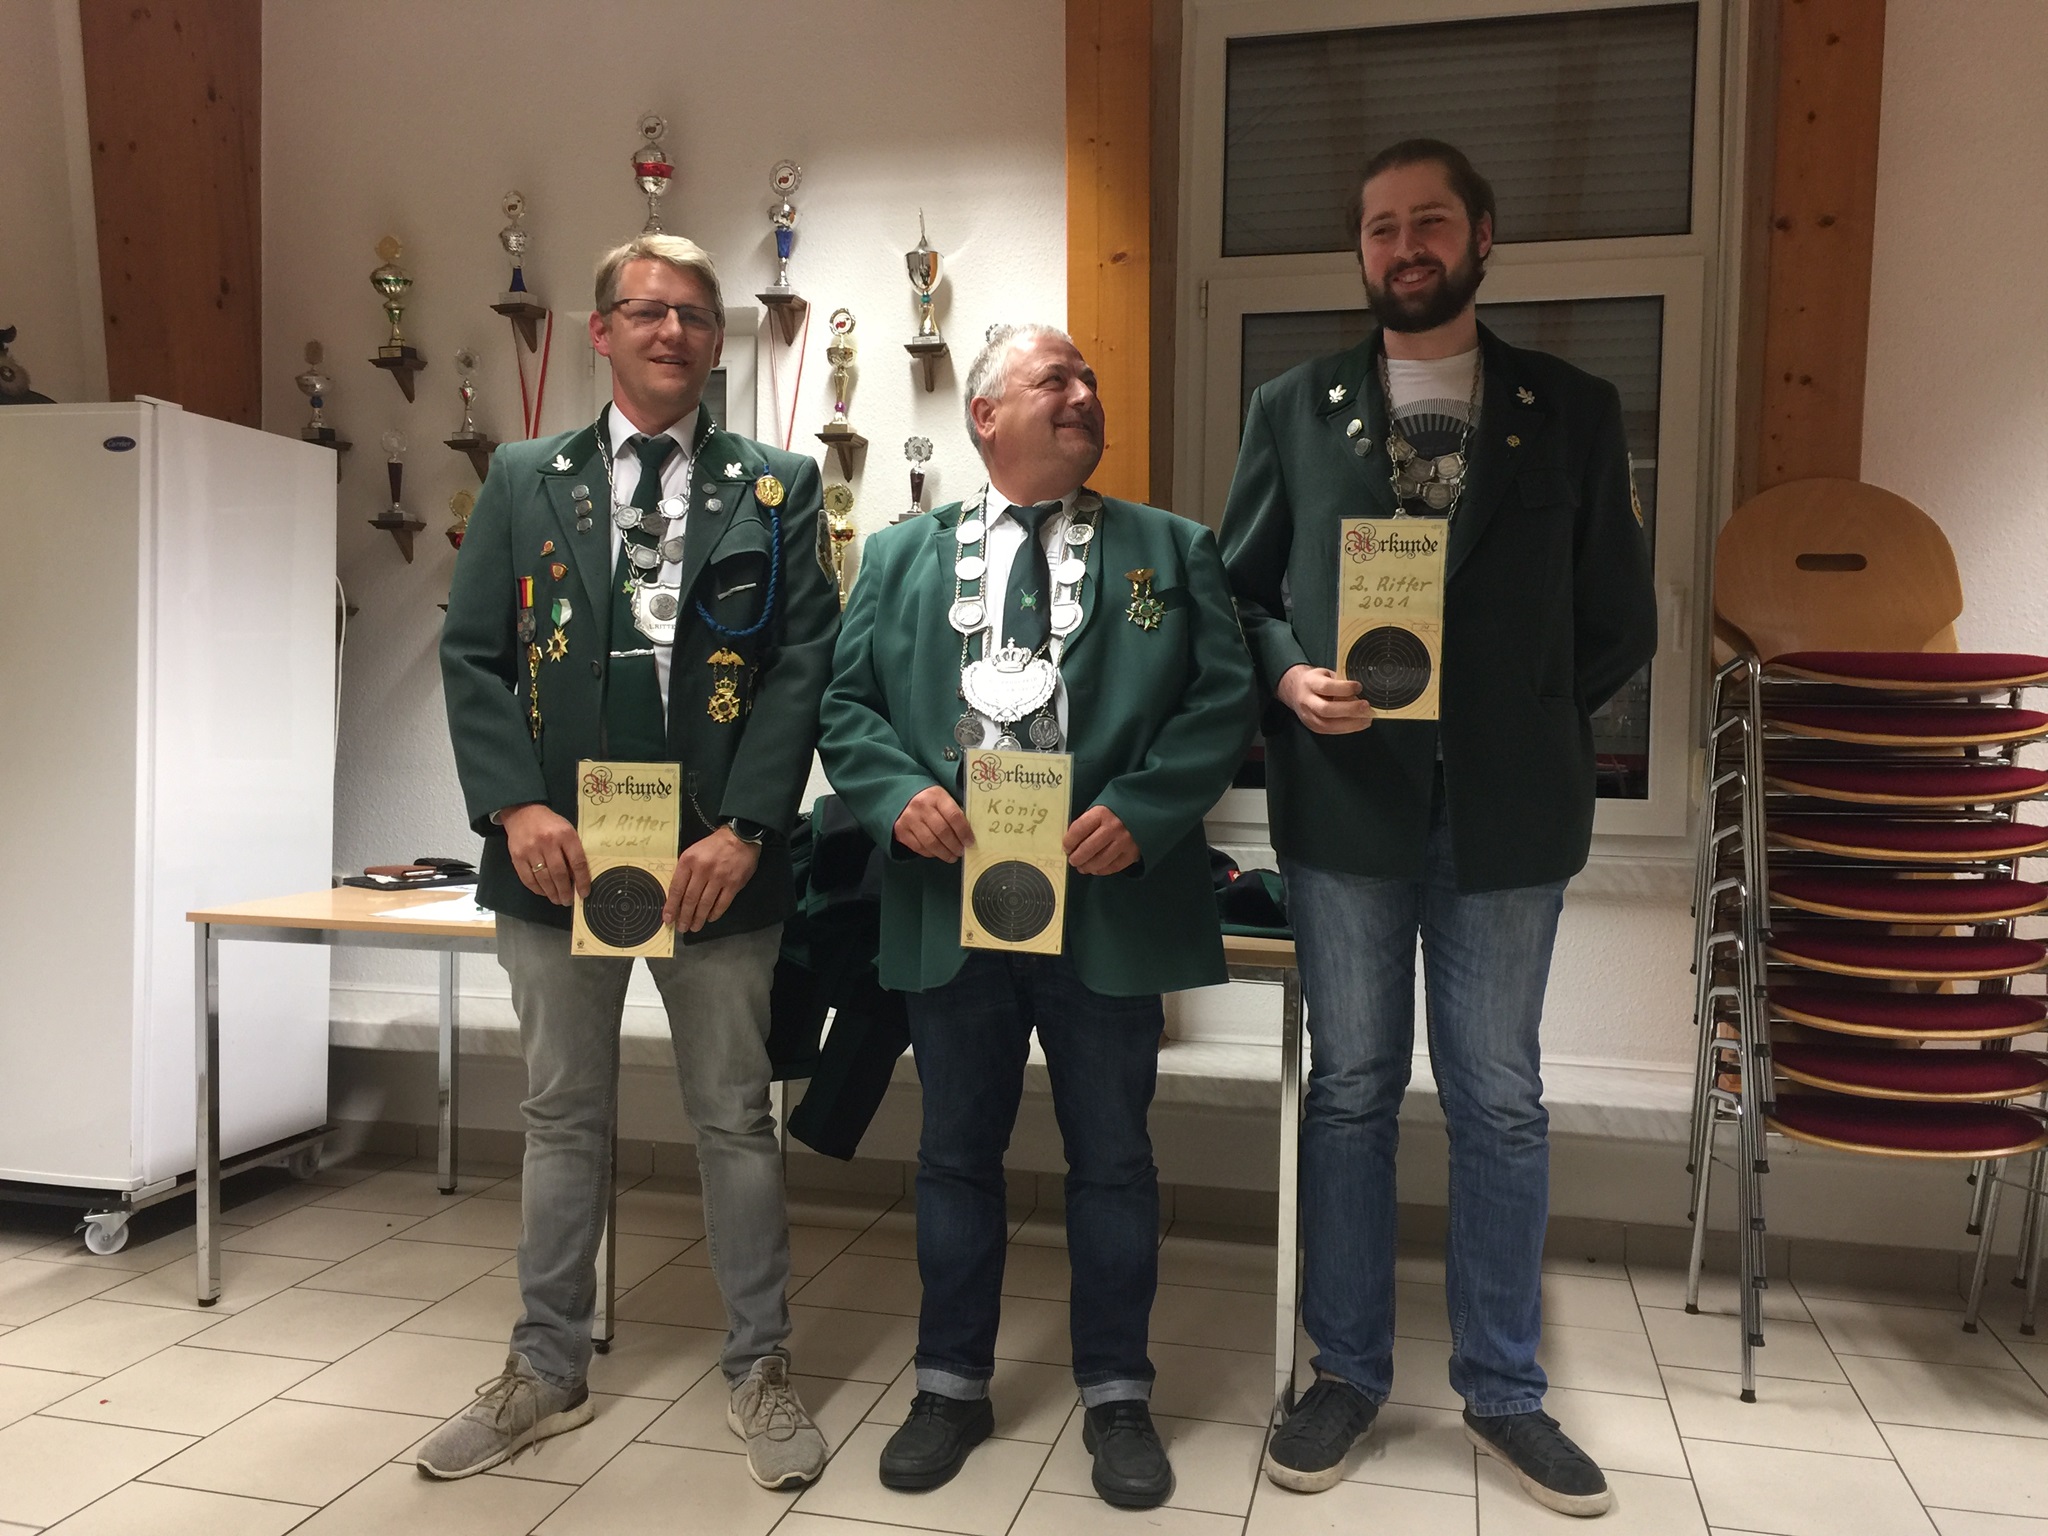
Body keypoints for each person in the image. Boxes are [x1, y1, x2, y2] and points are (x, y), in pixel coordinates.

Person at [1219, 139, 1657, 1517]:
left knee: (1498, 1100)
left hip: (1509, 817)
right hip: (1346, 805)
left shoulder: (1570, 410)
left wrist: (1513, 713)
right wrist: (1289, 676)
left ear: (1481, 237)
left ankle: (1504, 1391)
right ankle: (1344, 1374)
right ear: (1359, 251)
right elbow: (1241, 592)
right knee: (1350, 1089)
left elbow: (1617, 617)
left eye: (1429, 223)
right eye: (1380, 228)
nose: (1404, 247)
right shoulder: (1294, 408)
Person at [428, 233, 841, 1490]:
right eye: (649, 311)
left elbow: (802, 665)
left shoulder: (776, 485)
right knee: (560, 1116)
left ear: (719, 342)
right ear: (600, 330)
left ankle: (759, 1367)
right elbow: (472, 653)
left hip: (716, 861)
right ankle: (545, 1368)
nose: (674, 332)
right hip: (554, 858)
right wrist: (514, 808)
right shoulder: (521, 477)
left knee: (734, 1119)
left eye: (697, 316)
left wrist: (748, 827)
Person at [818, 324, 1255, 1510]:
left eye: (1088, 379)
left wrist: (1145, 809)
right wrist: (894, 795)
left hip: (1107, 901)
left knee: (1111, 1160)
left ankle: (1116, 1393)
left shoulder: (1172, 550)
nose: (1083, 393)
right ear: (985, 415)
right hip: (949, 900)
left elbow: (1221, 701)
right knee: (953, 1154)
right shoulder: (898, 557)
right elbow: (846, 707)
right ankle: (949, 1385)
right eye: (1054, 379)